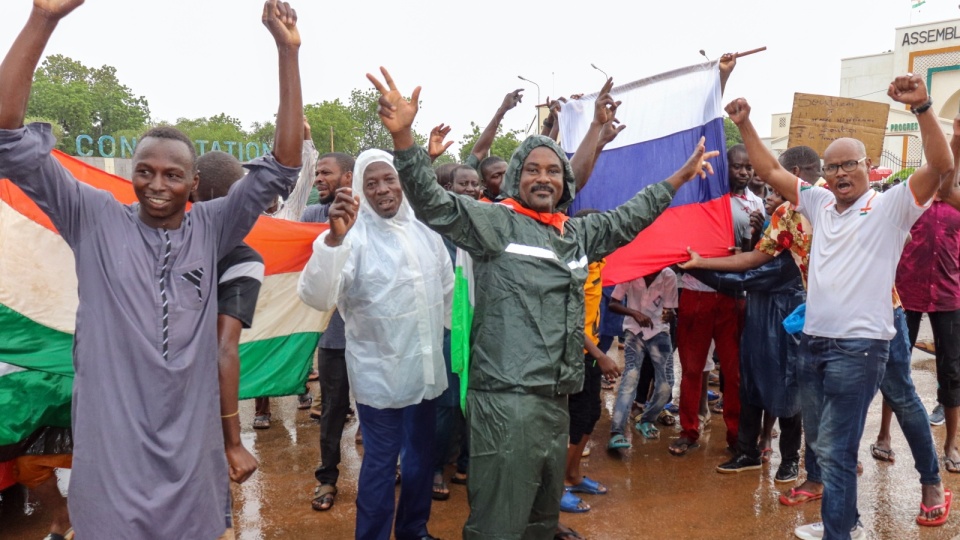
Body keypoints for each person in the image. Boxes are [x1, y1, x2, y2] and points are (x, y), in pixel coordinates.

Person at [368, 66, 719, 540]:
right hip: (506, 402)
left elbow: (628, 218)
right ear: (516, 177)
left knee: (539, 520)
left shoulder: (575, 236)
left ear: (565, 183)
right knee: (498, 525)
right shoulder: (495, 224)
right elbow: (432, 202)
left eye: (553, 171)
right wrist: (406, 140)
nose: (543, 177)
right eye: (532, 169)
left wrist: (679, 177)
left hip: (554, 402)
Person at [0, 1, 304, 537]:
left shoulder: (212, 227)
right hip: (111, 446)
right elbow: (7, 138)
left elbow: (282, 165)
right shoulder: (92, 217)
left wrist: (287, 52)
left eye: (172, 174)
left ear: (194, 185)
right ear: (133, 174)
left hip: (190, 450)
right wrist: (42, 20)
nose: (157, 184)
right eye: (145, 171)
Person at [726, 73, 953, 539]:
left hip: (861, 347)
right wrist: (746, 123)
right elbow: (770, 171)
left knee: (838, 442)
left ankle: (845, 530)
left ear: (869, 167)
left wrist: (923, 106)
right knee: (827, 445)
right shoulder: (819, 204)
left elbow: (940, 163)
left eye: (850, 165)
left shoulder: (891, 205)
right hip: (813, 345)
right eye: (833, 167)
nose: (841, 173)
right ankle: (845, 523)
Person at [298, 149, 451, 540]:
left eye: (389, 179)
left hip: (425, 372)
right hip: (379, 378)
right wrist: (333, 240)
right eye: (372, 183)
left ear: (401, 182)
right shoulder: (351, 237)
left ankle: (414, 529)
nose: (383, 189)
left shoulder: (425, 231)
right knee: (381, 465)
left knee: (419, 462)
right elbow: (316, 296)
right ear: (360, 191)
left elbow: (447, 293)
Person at [882, 115, 960, 474]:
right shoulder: (913, 199)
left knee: (952, 372)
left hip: (949, 295)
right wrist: (956, 137)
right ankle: (883, 435)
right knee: (895, 366)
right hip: (907, 292)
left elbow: (948, 181)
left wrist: (957, 138)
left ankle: (952, 444)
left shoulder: (955, 202)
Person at [192, 150, 264, 529]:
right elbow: (224, 348)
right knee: (208, 511)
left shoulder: (147, 234)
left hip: (136, 399)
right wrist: (232, 441)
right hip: (199, 407)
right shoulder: (242, 258)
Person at [253, 117, 320, 429]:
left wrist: (305, 139)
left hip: (287, 293)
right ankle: (261, 408)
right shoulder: (240, 216)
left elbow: (306, 176)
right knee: (257, 344)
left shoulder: (288, 213)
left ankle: (301, 389)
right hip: (256, 294)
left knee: (294, 341)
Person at [299, 151, 356, 512]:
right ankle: (327, 479)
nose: (319, 178)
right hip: (332, 335)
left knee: (379, 407)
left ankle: (388, 468)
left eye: (326, 172)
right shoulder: (309, 217)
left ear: (349, 177)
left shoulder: (373, 217)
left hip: (371, 336)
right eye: (316, 172)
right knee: (333, 409)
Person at [561, 222, 621, 514]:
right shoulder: (573, 269)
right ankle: (558, 487)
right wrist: (601, 355)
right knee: (572, 419)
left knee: (590, 413)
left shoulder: (597, 259)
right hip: (574, 353)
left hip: (590, 351)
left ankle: (572, 475)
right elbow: (569, 319)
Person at [607, 267, 678, 447]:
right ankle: (617, 431)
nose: (652, 275)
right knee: (630, 378)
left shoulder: (668, 275)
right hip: (634, 331)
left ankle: (647, 419)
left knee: (666, 383)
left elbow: (669, 311)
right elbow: (613, 303)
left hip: (659, 332)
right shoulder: (631, 271)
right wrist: (635, 313)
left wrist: (669, 314)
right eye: (650, 272)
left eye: (656, 272)